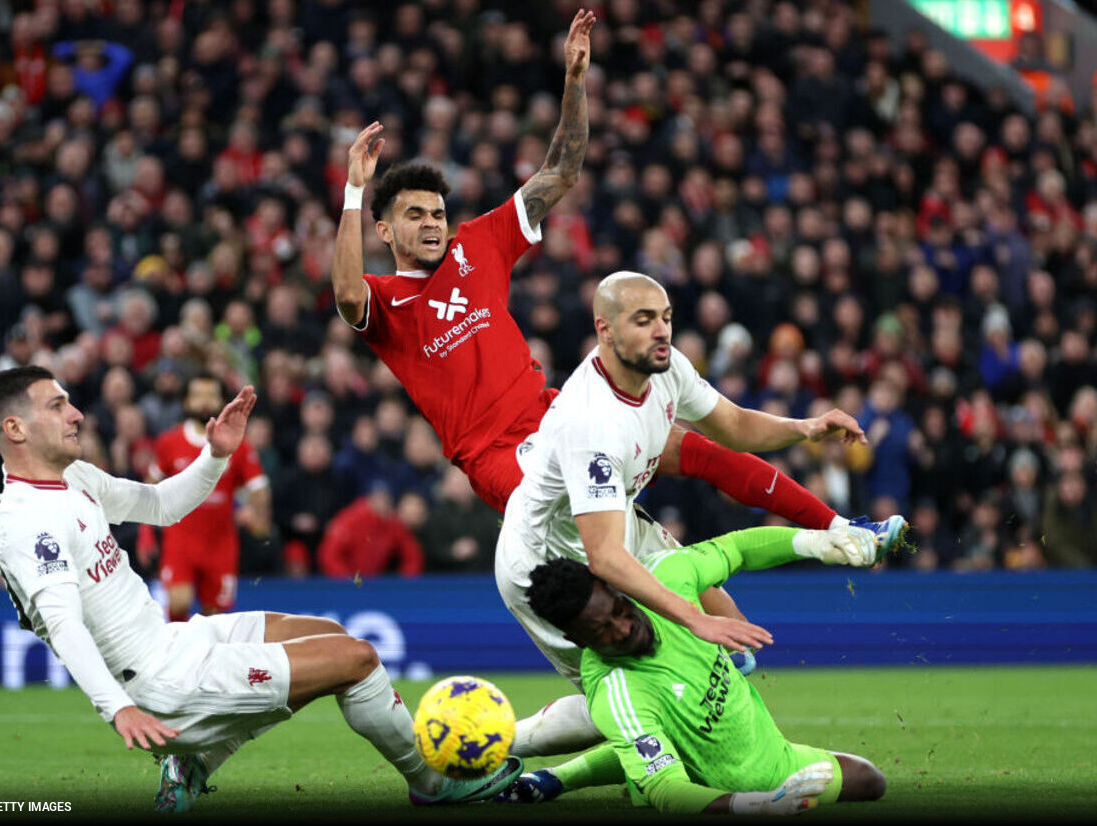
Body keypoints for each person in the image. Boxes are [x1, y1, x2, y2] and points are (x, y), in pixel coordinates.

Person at [330, 11, 903, 658]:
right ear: (385, 231)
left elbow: (559, 175)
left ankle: (842, 532)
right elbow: (347, 293)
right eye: (414, 215)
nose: (432, 223)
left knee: (699, 451)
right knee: (633, 562)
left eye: (437, 212)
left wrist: (576, 78)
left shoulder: (477, 245)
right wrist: (355, 191)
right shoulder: (386, 302)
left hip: (558, 414)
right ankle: (682, 670)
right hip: (505, 463)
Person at [0, 366, 521, 813]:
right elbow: (64, 624)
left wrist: (215, 456)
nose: (75, 413)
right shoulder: (27, 522)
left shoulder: (73, 479)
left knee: (329, 635)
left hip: (174, 642)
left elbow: (162, 505)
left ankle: (195, 761)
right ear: (16, 429)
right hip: (161, 682)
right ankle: (432, 784)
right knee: (356, 659)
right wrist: (118, 708)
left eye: (69, 401)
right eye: (56, 406)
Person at [495, 272, 894, 756]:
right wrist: (692, 621)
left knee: (731, 641)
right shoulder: (591, 422)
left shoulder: (665, 368)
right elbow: (603, 558)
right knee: (630, 685)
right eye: (643, 321)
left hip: (612, 522)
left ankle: (722, 747)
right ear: (605, 331)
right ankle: (490, 748)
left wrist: (806, 427)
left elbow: (735, 426)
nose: (661, 331)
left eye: (664, 318)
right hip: (547, 562)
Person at [503, 535, 886, 814]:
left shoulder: (665, 576)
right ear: (576, 639)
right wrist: (756, 805)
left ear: (614, 586)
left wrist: (817, 543)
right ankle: (557, 777)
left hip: (777, 759)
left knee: (870, 781)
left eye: (618, 610)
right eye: (601, 631)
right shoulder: (617, 692)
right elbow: (667, 790)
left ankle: (555, 778)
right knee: (652, 747)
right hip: (717, 793)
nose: (622, 629)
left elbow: (735, 550)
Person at [140, 372, 270, 621]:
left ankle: (208, 659)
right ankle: (178, 657)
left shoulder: (237, 444)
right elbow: (149, 488)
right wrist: (146, 534)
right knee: (179, 601)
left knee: (216, 617)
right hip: (180, 539)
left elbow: (259, 486)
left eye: (211, 395)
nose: (204, 402)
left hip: (220, 543)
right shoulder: (170, 442)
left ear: (222, 401)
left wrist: (258, 515)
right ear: (186, 402)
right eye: (197, 395)